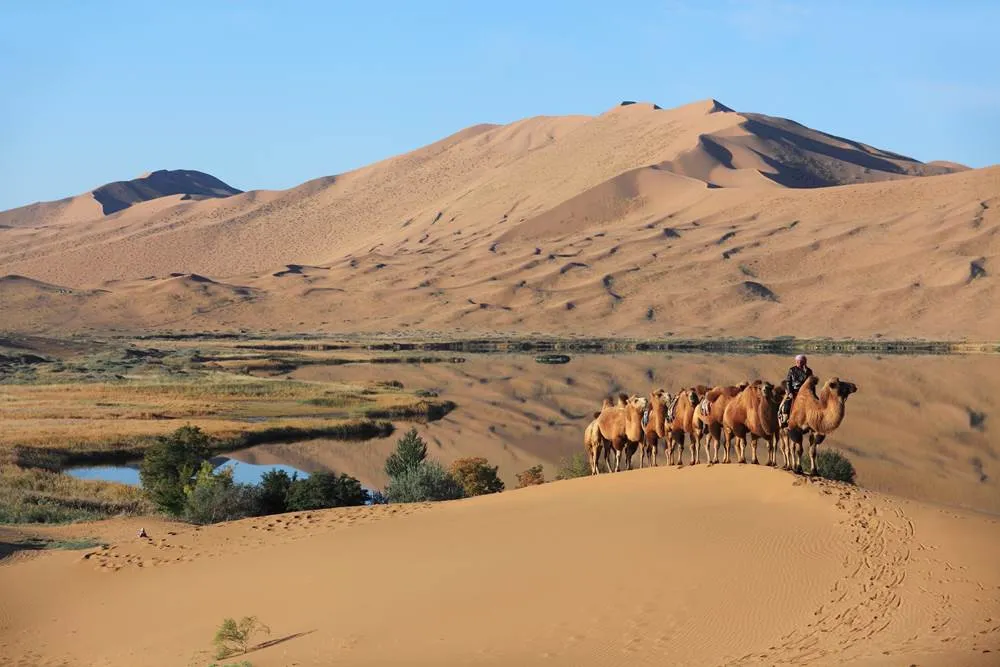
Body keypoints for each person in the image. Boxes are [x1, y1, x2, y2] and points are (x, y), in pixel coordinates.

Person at [778, 354, 813, 426]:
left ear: (804, 362)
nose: (799, 363)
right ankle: (785, 419)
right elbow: (788, 381)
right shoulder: (792, 370)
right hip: (794, 391)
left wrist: (806, 372)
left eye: (801, 361)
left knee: (815, 402)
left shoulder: (809, 371)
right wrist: (790, 392)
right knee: (787, 404)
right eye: (798, 361)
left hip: (805, 392)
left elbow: (811, 382)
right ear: (796, 362)